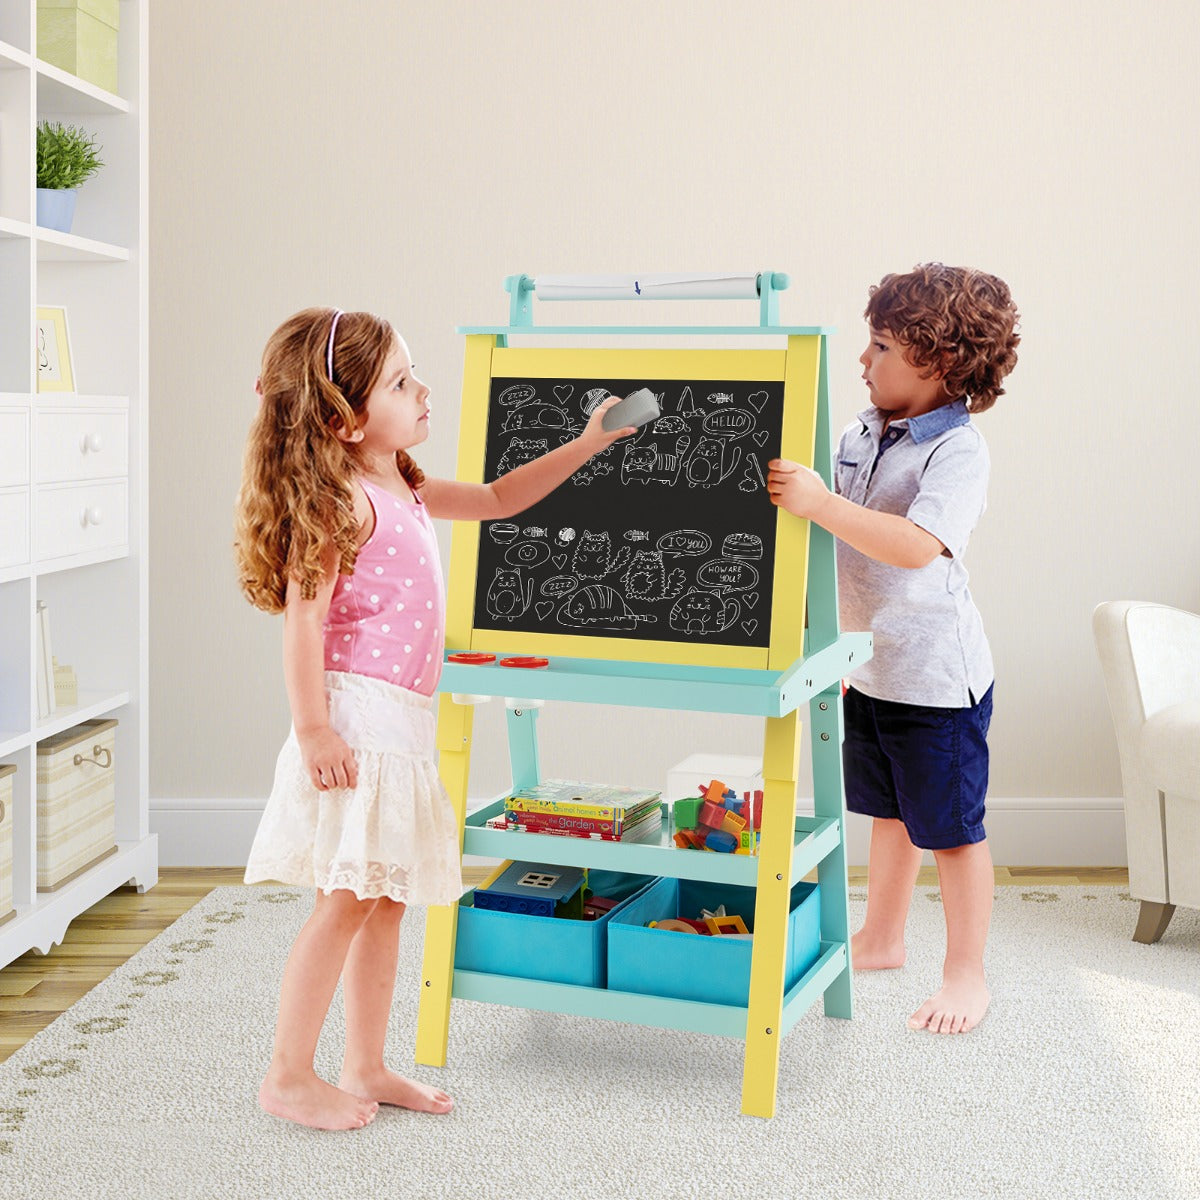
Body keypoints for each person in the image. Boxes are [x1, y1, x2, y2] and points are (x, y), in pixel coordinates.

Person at [235, 307, 634, 1128]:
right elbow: (303, 622)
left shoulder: (400, 484)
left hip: (403, 727)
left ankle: (366, 1063)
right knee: (345, 899)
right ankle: (286, 1074)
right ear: (343, 420)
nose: (424, 390)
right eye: (400, 382)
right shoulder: (339, 502)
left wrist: (589, 442)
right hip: (358, 726)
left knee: (385, 900)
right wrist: (313, 729)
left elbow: (495, 498)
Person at [766, 264, 1019, 1035]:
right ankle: (881, 935)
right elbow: (835, 555)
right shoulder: (858, 432)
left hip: (938, 679)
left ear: (938, 361)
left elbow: (914, 547)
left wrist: (822, 502)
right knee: (887, 810)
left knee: (948, 828)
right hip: (871, 666)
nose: (863, 360)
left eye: (879, 346)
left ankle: (966, 974)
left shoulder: (958, 454)